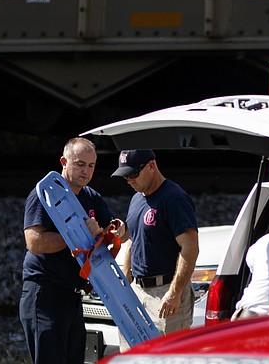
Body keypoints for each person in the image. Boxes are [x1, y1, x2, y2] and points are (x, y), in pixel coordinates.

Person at [19, 137, 126, 364]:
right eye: (79, 164)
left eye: (91, 166)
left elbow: (114, 229)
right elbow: (34, 242)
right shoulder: (45, 193)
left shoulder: (90, 195)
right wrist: (78, 235)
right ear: (63, 162)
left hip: (72, 295)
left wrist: (118, 229)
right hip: (44, 292)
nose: (85, 171)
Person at [112, 149, 199, 350]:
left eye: (133, 174)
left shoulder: (174, 198)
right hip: (138, 290)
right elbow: (134, 240)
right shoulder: (137, 198)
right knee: (131, 356)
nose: (129, 181)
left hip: (165, 293)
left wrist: (174, 293)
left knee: (169, 356)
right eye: (125, 176)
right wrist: (127, 279)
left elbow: (190, 248)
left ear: (151, 166)